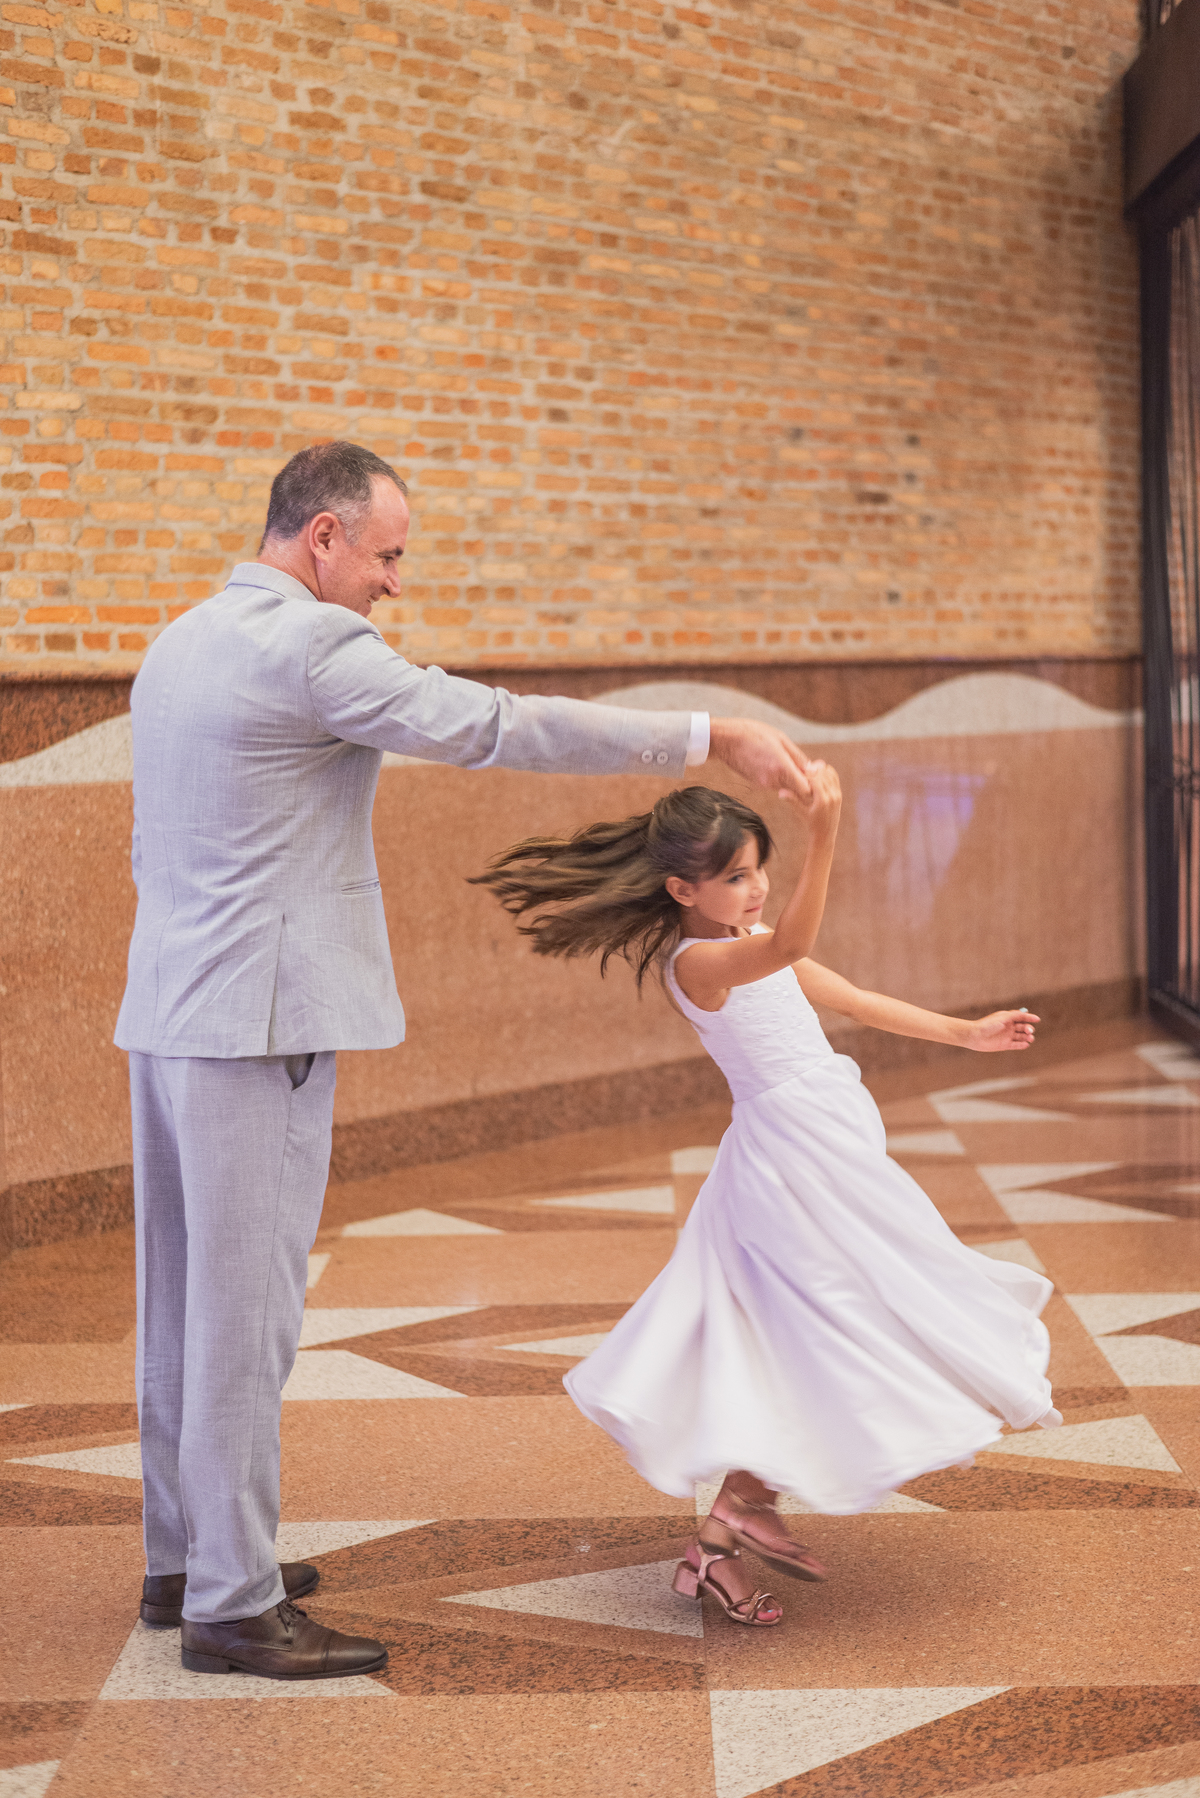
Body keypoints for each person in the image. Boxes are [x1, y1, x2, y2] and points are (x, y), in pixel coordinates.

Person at [114, 440, 819, 1680]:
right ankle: (232, 1597)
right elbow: (496, 725)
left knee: (180, 1300)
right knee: (246, 1316)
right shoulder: (312, 649)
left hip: (168, 1010)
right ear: (322, 537)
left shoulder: (182, 640)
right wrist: (709, 730)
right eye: (386, 555)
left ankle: (187, 1555)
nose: (394, 583)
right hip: (258, 1025)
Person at [474, 775, 1062, 1629]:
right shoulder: (700, 963)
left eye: (760, 870)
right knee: (825, 1324)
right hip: (789, 1167)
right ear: (684, 890)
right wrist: (824, 832)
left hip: (830, 1150)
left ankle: (720, 1538)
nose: (758, 889)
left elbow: (853, 1000)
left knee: (813, 1330)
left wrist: (964, 1033)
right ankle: (733, 1519)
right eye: (741, 875)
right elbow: (789, 947)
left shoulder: (744, 934)